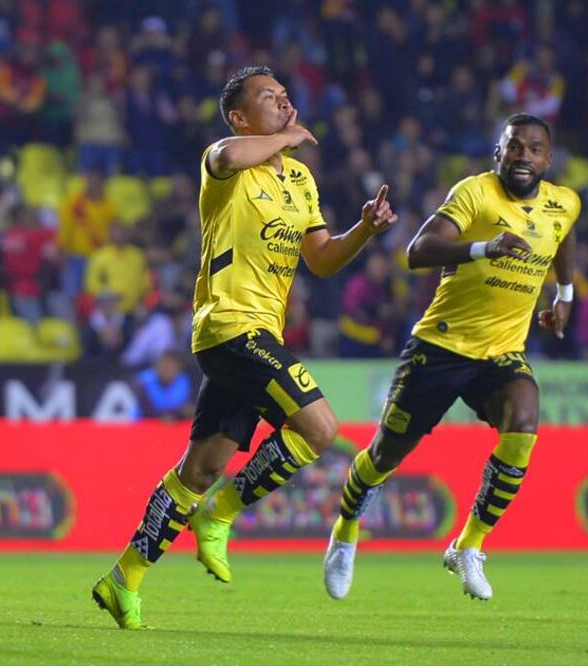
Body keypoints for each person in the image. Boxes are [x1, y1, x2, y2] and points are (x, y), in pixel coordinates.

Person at [91, 65, 398, 629]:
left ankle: (123, 578)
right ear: (239, 116)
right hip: (229, 326)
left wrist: (364, 232)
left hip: (262, 334)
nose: (283, 102)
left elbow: (321, 259)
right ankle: (221, 514)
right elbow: (229, 156)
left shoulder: (300, 179)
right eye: (268, 97)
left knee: (201, 468)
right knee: (320, 429)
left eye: (284, 95)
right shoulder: (224, 162)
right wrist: (285, 137)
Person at [322, 113, 580, 602]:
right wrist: (484, 248)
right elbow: (418, 250)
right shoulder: (475, 193)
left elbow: (563, 235)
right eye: (514, 146)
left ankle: (468, 545)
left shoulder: (564, 202)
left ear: (548, 158)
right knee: (383, 456)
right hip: (440, 347)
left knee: (524, 424)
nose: (523, 156)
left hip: (502, 352)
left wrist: (564, 294)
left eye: (534, 148)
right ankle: (345, 530)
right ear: (498, 153)